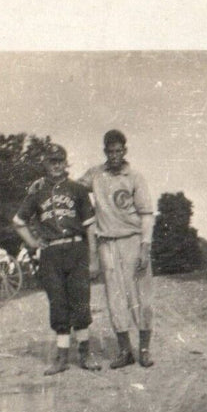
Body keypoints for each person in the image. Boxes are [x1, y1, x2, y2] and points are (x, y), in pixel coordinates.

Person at [13, 144, 101, 375]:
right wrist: (33, 243)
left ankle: (85, 353)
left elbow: (90, 227)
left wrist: (93, 259)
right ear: (45, 164)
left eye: (60, 160)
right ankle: (61, 357)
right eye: (52, 161)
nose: (56, 165)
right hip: (51, 254)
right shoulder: (37, 192)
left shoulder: (77, 190)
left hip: (76, 249)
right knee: (58, 304)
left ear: (65, 163)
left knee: (80, 301)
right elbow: (18, 222)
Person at [79, 129, 155, 369]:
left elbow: (146, 215)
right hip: (106, 243)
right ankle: (125, 351)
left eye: (118, 151)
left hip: (132, 239)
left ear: (124, 151)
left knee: (141, 296)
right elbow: (74, 189)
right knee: (115, 298)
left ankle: (144, 350)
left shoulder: (134, 177)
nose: (114, 155)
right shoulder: (96, 175)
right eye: (110, 151)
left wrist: (145, 246)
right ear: (105, 152)